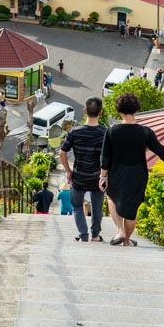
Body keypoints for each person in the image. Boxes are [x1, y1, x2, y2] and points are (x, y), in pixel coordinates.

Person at [100, 91, 164, 247]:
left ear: (119, 111)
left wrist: (103, 177)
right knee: (133, 206)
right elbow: (160, 150)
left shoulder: (112, 131)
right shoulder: (145, 132)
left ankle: (120, 231)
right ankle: (126, 241)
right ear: (136, 110)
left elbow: (105, 156)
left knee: (112, 197)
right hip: (138, 173)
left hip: (117, 171)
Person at [59, 97, 107, 242]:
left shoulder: (75, 132)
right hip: (98, 178)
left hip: (78, 176)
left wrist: (68, 171)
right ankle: (95, 235)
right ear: (101, 112)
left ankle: (83, 235)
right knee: (97, 208)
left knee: (77, 207)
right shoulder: (105, 133)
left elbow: (62, 152)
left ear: (85, 111)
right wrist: (106, 175)